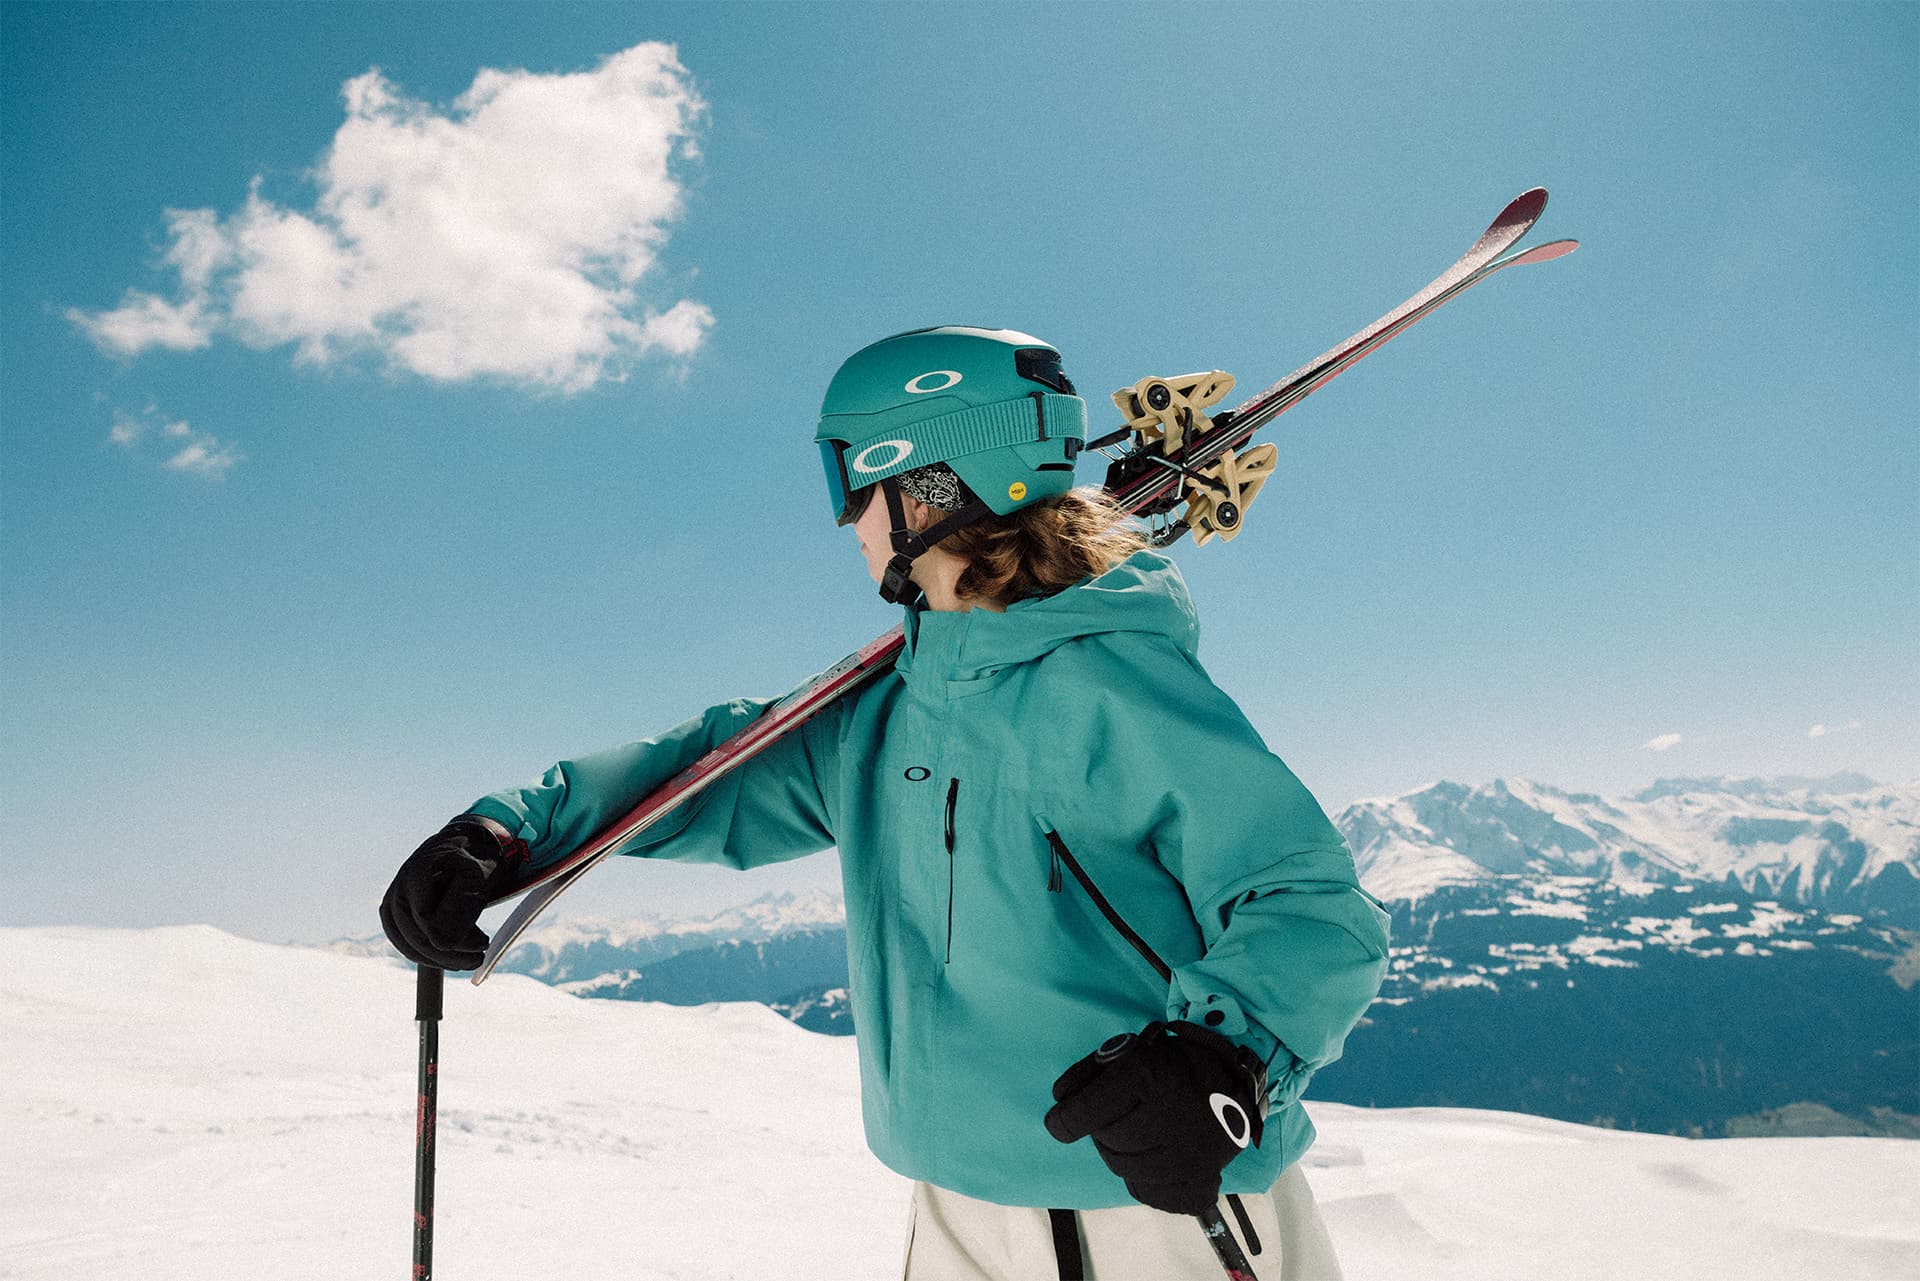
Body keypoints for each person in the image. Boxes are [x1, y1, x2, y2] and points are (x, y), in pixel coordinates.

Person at [381, 326, 1390, 1280]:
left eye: (849, 482)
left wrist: (1221, 1059)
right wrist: (506, 833)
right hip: (955, 1204)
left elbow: (1309, 902)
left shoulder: (1108, 691)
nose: (845, 520)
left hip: (1151, 1201)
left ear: (928, 484)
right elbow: (705, 775)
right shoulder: (887, 712)